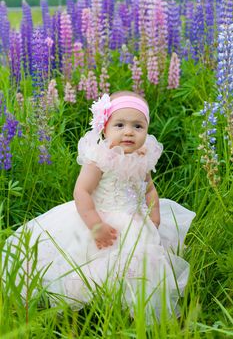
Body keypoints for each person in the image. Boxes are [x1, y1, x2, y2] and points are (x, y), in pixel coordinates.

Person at [3, 91, 196, 320]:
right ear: (104, 128)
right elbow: (81, 192)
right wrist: (95, 225)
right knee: (93, 260)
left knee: (141, 260)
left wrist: (154, 214)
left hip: (134, 219)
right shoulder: (100, 158)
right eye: (120, 125)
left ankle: (132, 305)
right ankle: (86, 304)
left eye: (138, 126)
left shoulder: (143, 157)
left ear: (146, 130)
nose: (128, 132)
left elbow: (149, 189)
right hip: (100, 217)